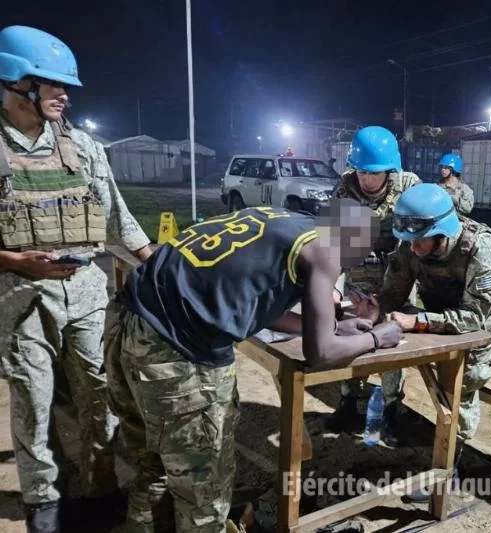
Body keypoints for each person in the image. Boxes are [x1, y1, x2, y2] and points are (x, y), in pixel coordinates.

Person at [105, 200, 403, 533]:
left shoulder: (276, 218)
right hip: (174, 350)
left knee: (156, 465)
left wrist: (331, 326)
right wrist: (378, 337)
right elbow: (320, 354)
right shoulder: (326, 248)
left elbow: (258, 303)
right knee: (204, 495)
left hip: (127, 320)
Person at [0, 25, 152, 533]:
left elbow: (117, 220)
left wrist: (155, 263)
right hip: (22, 299)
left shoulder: (84, 148)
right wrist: (17, 262)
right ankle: (44, 505)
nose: (63, 94)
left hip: (87, 295)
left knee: (97, 397)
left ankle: (99, 492)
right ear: (16, 81)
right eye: (51, 83)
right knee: (34, 407)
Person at [350, 183, 491, 500]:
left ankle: (449, 469)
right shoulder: (411, 243)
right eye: (408, 241)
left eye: (419, 241)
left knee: (460, 390)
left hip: (481, 326)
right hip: (443, 313)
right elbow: (394, 293)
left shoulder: (480, 248)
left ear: (442, 231)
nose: (412, 248)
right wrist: (377, 307)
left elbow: (476, 319)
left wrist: (419, 321)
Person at [326, 125, 421, 446]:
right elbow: (336, 242)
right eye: (361, 171)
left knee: (391, 340)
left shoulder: (410, 186)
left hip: (399, 271)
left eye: (374, 173)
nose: (367, 179)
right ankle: (347, 401)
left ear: (389, 169)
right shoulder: (344, 188)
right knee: (353, 332)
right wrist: (333, 286)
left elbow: (423, 230)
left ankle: (392, 409)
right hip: (360, 270)